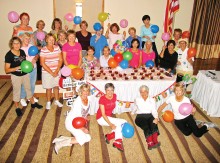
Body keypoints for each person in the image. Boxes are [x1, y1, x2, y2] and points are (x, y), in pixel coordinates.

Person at [5, 37, 43, 116]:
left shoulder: (22, 51)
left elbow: (24, 62)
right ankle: (17, 107)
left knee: (28, 88)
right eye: (14, 43)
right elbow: (7, 70)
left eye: (18, 43)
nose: (17, 45)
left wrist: (31, 63)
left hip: (25, 74)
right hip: (16, 76)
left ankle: (33, 103)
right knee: (17, 91)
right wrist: (17, 68)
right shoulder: (9, 55)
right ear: (11, 44)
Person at [52, 84, 92, 154]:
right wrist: (82, 128)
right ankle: (60, 143)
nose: (85, 92)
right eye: (84, 91)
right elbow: (75, 120)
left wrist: (85, 117)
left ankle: (62, 138)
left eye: (87, 90)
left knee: (88, 137)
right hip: (72, 122)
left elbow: (84, 111)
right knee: (83, 138)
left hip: (79, 121)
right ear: (81, 91)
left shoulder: (88, 99)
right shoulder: (78, 102)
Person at [96, 83, 127, 151]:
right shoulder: (102, 99)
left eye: (112, 90)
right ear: (105, 90)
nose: (110, 92)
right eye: (108, 90)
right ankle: (118, 141)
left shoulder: (115, 96)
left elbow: (115, 105)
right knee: (122, 122)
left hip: (108, 117)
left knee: (122, 122)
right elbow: (103, 114)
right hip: (101, 118)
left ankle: (110, 136)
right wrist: (111, 124)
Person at [40, 33, 63, 110]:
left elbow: (60, 60)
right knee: (49, 88)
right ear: (46, 40)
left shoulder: (57, 48)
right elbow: (42, 63)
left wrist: (56, 70)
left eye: (53, 39)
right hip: (47, 72)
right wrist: (51, 72)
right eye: (50, 39)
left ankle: (57, 100)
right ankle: (48, 102)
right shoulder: (43, 50)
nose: (51, 41)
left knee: (56, 87)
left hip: (56, 71)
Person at [132, 85, 160, 150]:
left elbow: (154, 110)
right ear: (140, 92)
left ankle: (155, 141)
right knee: (146, 126)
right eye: (141, 92)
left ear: (148, 92)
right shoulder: (137, 99)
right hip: (140, 116)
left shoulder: (152, 100)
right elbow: (135, 106)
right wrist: (133, 112)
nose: (143, 93)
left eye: (145, 91)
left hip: (150, 115)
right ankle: (150, 143)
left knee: (153, 124)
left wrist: (156, 118)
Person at [20, 33, 39, 107]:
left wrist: (35, 59)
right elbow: (20, 60)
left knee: (32, 83)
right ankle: (22, 97)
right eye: (26, 38)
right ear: (22, 39)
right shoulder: (20, 49)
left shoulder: (31, 46)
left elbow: (37, 54)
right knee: (25, 84)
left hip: (34, 68)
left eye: (29, 39)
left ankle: (30, 97)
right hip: (26, 69)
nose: (28, 40)